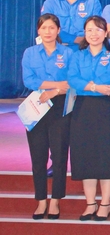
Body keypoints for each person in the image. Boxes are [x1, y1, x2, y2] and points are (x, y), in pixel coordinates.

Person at [68, 16, 110, 222]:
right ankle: (90, 203)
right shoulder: (77, 55)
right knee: (85, 154)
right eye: (89, 30)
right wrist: (95, 87)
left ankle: (105, 203)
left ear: (105, 33)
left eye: (98, 30)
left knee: (106, 153)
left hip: (107, 108)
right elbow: (73, 78)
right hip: (83, 108)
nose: (93, 34)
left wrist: (95, 85)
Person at [21, 14, 73, 220]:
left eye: (52, 28)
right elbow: (29, 80)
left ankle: (55, 200)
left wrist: (55, 91)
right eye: (44, 28)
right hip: (37, 104)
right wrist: (56, 85)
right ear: (38, 31)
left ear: (58, 30)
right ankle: (41, 200)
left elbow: (72, 82)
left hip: (60, 105)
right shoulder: (30, 53)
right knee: (38, 156)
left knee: (59, 155)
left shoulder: (68, 53)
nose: (48, 32)